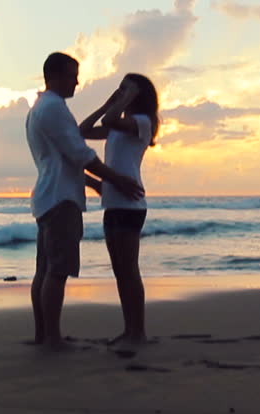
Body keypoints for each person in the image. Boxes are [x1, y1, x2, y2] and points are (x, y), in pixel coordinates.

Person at [27, 52, 144, 350]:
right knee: (57, 270)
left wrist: (95, 183)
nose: (77, 81)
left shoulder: (41, 107)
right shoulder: (54, 109)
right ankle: (51, 338)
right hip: (60, 197)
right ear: (54, 76)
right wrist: (114, 180)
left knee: (45, 269)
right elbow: (81, 154)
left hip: (48, 194)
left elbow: (69, 156)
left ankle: (44, 335)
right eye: (72, 75)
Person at [79, 73, 159, 345]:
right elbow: (84, 130)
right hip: (113, 202)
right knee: (120, 271)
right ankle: (130, 329)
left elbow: (111, 121)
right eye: (121, 88)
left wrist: (123, 100)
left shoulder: (143, 122)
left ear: (139, 94)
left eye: (127, 88)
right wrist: (107, 102)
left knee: (129, 269)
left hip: (130, 204)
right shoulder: (119, 127)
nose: (121, 92)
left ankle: (138, 331)